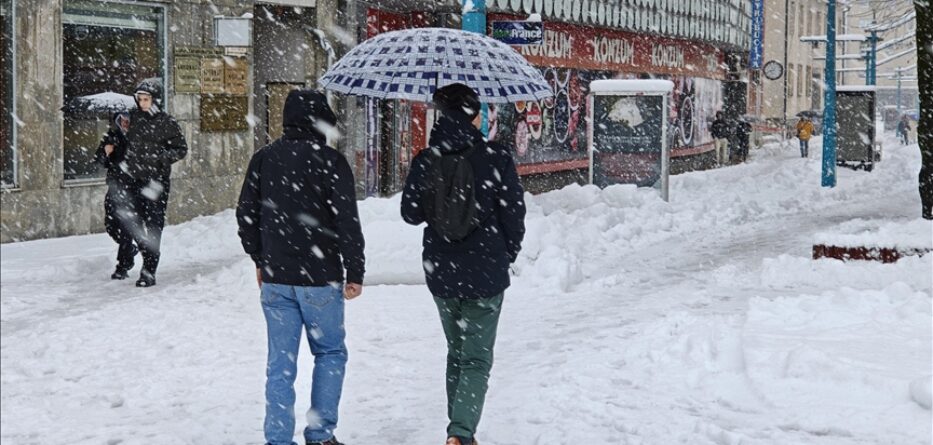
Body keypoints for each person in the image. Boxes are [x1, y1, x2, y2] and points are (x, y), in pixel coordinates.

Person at [237, 89, 364, 445]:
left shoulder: (264, 159)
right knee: (330, 353)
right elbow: (347, 222)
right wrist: (355, 271)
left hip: (276, 278)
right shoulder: (331, 162)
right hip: (321, 279)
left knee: (280, 362)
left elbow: (245, 215)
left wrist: (259, 258)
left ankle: (278, 438)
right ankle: (320, 435)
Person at [401, 83, 526, 445]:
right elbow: (514, 215)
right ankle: (461, 433)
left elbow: (410, 214)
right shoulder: (496, 157)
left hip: (441, 272)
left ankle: (458, 427)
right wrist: (506, 253)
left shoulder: (426, 160)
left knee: (456, 353)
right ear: (474, 115)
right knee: (476, 358)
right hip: (486, 271)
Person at [96, 79, 187, 287]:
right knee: (130, 223)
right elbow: (116, 141)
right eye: (140, 99)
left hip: (155, 182)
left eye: (147, 99)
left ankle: (149, 270)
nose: (143, 103)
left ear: (155, 100)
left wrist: (160, 158)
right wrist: (110, 148)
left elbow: (181, 149)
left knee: (153, 225)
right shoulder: (130, 119)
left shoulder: (166, 122)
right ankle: (135, 253)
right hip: (133, 180)